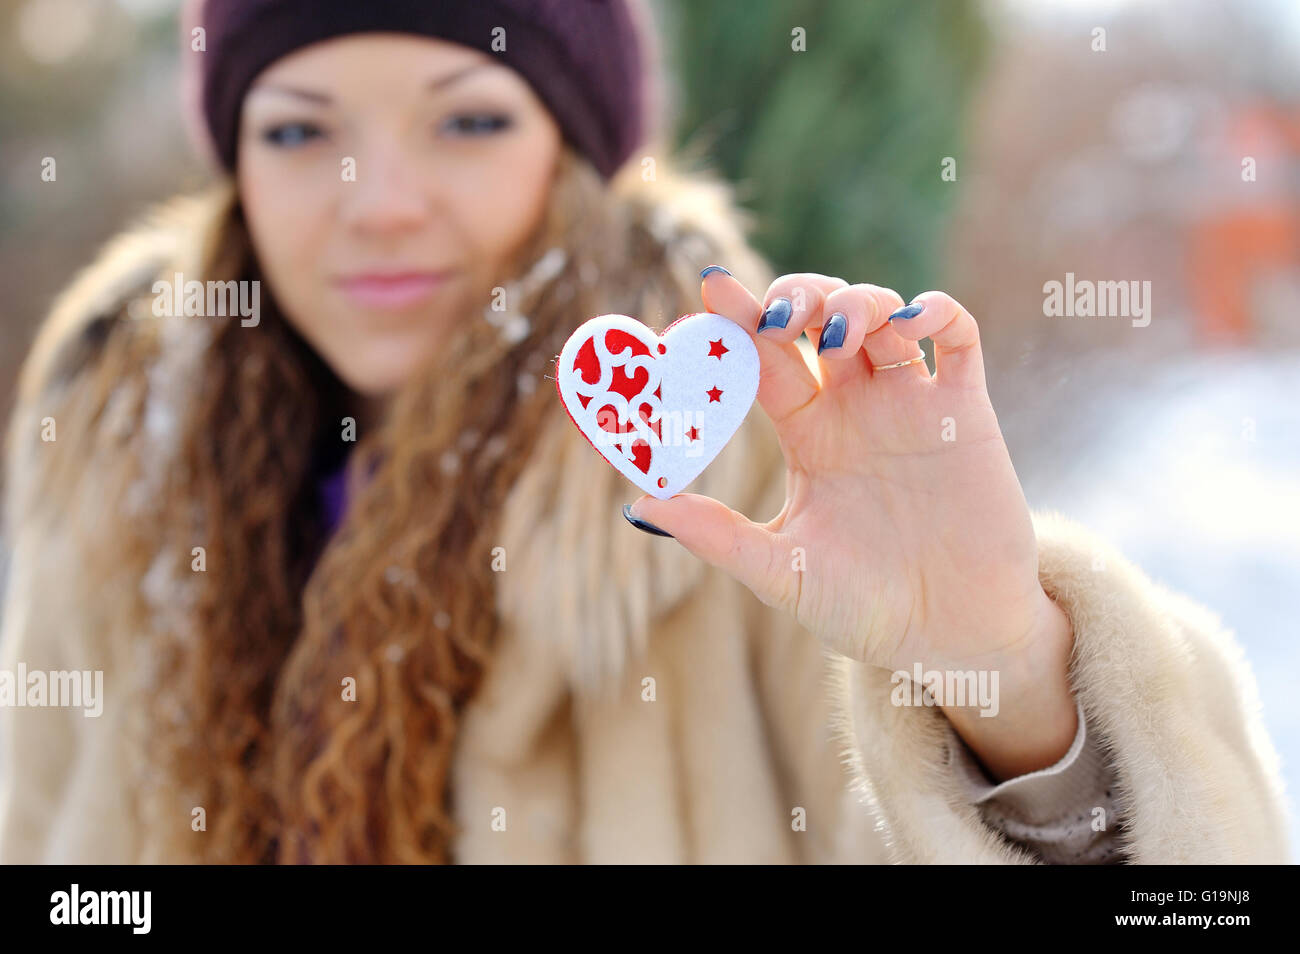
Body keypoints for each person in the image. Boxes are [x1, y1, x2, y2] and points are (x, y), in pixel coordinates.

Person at [0, 0, 1287, 864]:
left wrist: (1007, 679)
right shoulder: (123, 451)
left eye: (467, 119)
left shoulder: (760, 455)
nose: (377, 203)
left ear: (579, 151)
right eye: (296, 131)